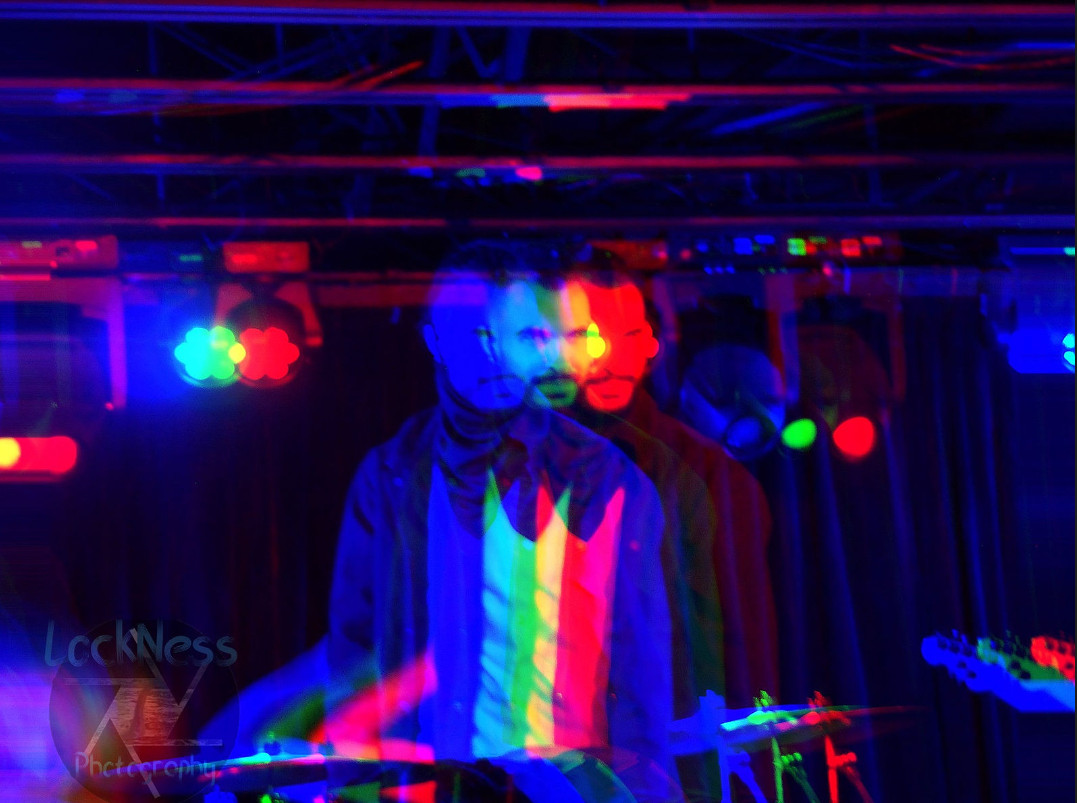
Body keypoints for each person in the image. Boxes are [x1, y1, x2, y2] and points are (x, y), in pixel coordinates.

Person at [327, 242, 681, 801]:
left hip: (571, 786)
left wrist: (645, 793)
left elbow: (641, 667)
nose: (495, 358)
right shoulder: (392, 475)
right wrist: (355, 786)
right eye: (476, 336)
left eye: (518, 335)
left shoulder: (606, 478)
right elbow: (355, 652)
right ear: (435, 342)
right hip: (434, 785)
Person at [560, 255, 779, 713]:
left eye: (629, 337)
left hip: (672, 734)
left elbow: (741, 644)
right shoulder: (522, 464)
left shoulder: (715, 480)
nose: (610, 359)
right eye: (589, 337)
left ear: (651, 345)